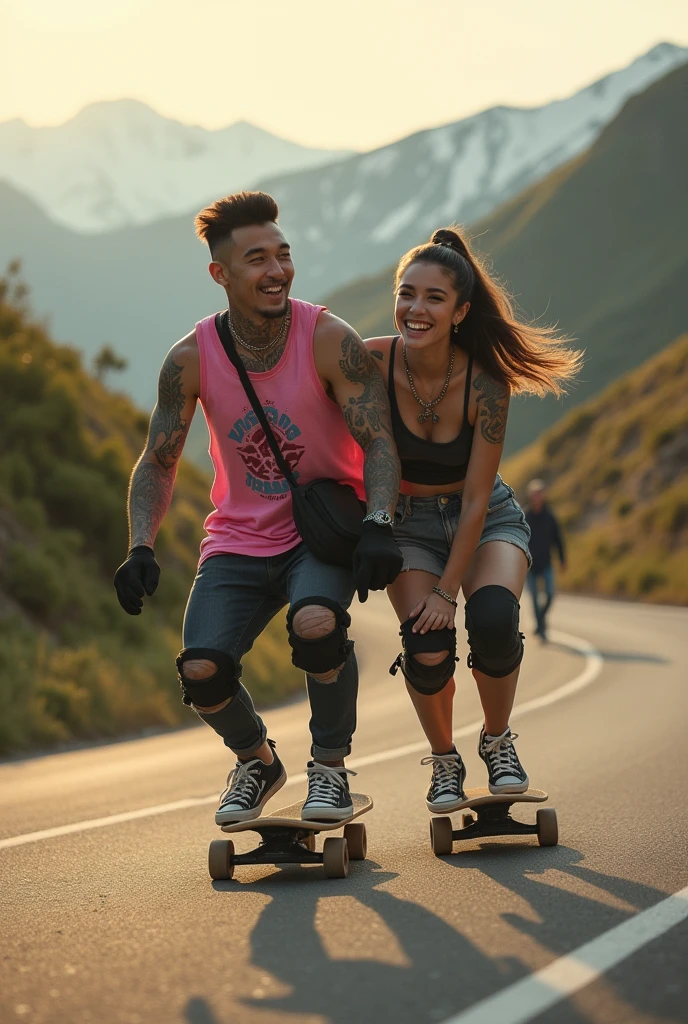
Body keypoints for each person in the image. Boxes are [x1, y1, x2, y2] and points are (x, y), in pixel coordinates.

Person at [113, 191, 402, 825]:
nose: (276, 270)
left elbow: (378, 439)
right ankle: (257, 762)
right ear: (220, 273)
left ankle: (329, 771)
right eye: (256, 259)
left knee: (317, 626)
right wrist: (140, 545)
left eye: (283, 254)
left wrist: (379, 521)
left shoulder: (328, 338)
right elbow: (159, 458)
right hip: (238, 539)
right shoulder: (190, 359)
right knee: (202, 670)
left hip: (318, 535)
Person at [365, 227, 581, 812]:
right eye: (406, 293)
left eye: (434, 298)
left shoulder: (486, 382)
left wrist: (446, 590)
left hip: (482, 518)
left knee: (490, 618)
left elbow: (479, 497)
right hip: (408, 522)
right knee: (425, 642)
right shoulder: (371, 362)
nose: (416, 308)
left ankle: (496, 740)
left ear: (460, 311)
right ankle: (443, 759)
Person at [525, 479, 566, 642]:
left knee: (549, 595)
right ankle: (541, 628)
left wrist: (563, 559)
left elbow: (558, 539)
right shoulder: (524, 516)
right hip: (529, 565)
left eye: (540, 493)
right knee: (534, 597)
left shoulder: (550, 517)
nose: (537, 496)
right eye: (535, 493)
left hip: (546, 563)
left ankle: (540, 621)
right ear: (530, 496)